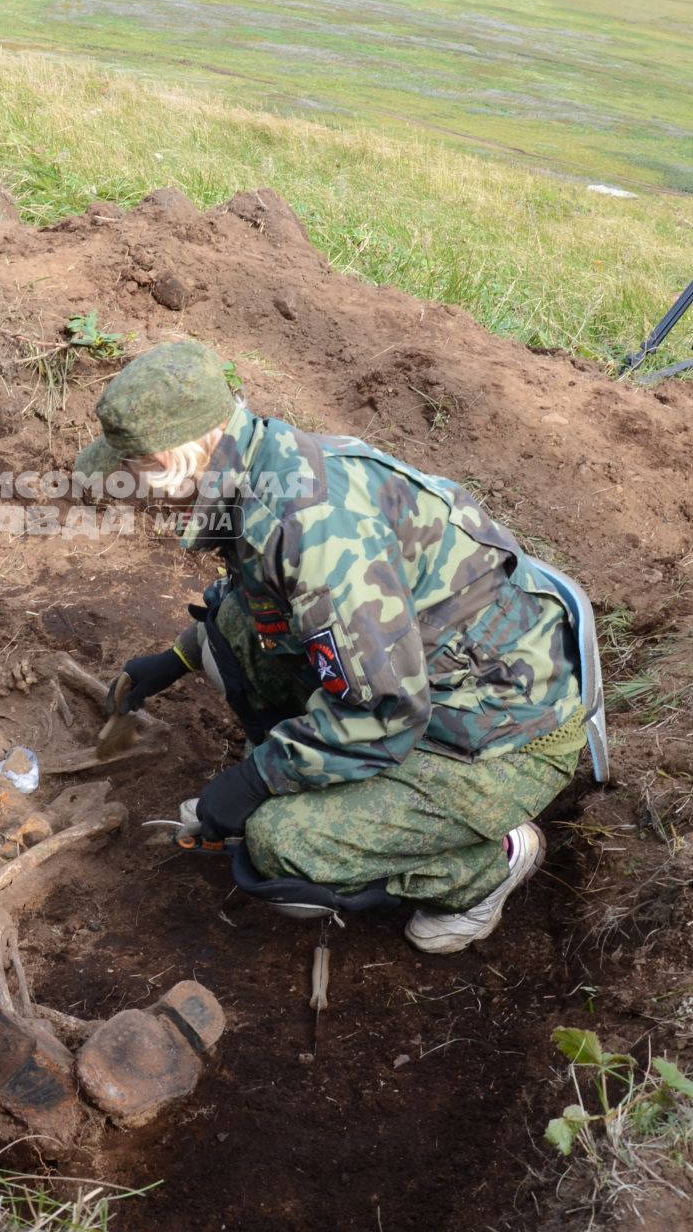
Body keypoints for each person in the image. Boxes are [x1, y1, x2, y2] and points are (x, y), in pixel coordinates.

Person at [74, 341, 596, 954]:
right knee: (227, 637)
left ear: (167, 459)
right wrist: (180, 656)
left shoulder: (311, 531)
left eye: (128, 468)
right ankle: (324, 780)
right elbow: (259, 597)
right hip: (427, 672)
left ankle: (488, 867)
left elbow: (383, 712)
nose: (128, 486)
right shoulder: (262, 460)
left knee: (280, 844)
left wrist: (254, 781)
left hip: (496, 733)